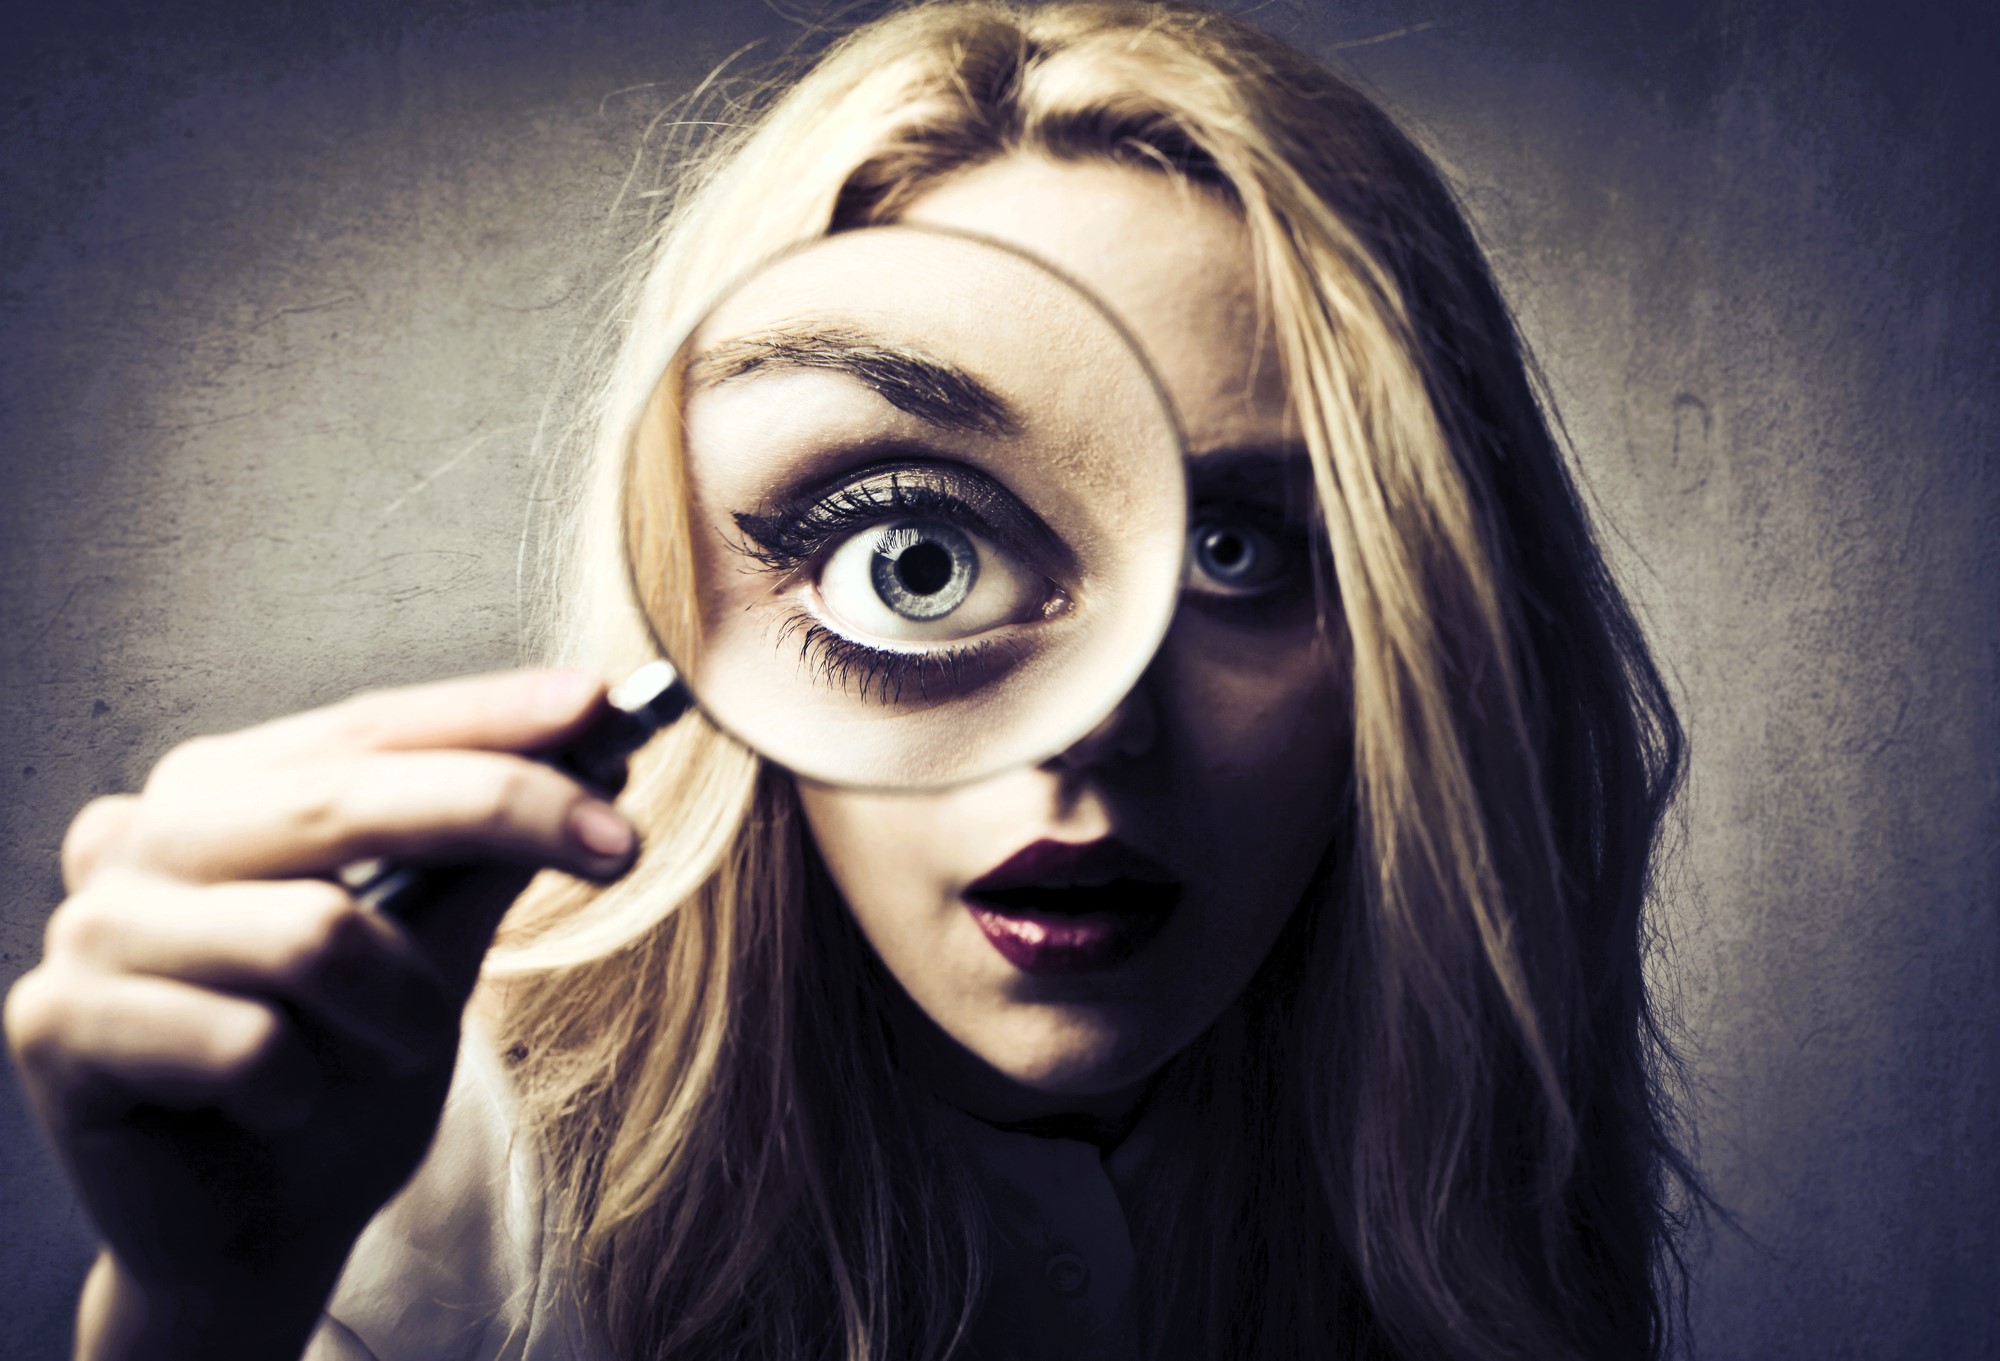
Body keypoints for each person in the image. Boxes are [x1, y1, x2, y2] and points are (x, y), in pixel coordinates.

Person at [4, 2, 1700, 1358]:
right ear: (707, 600)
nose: (1095, 723)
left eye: (1239, 552)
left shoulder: (1462, 1190)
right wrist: (197, 1309)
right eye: (917, 555)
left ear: (1440, 641)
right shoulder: (464, 1194)